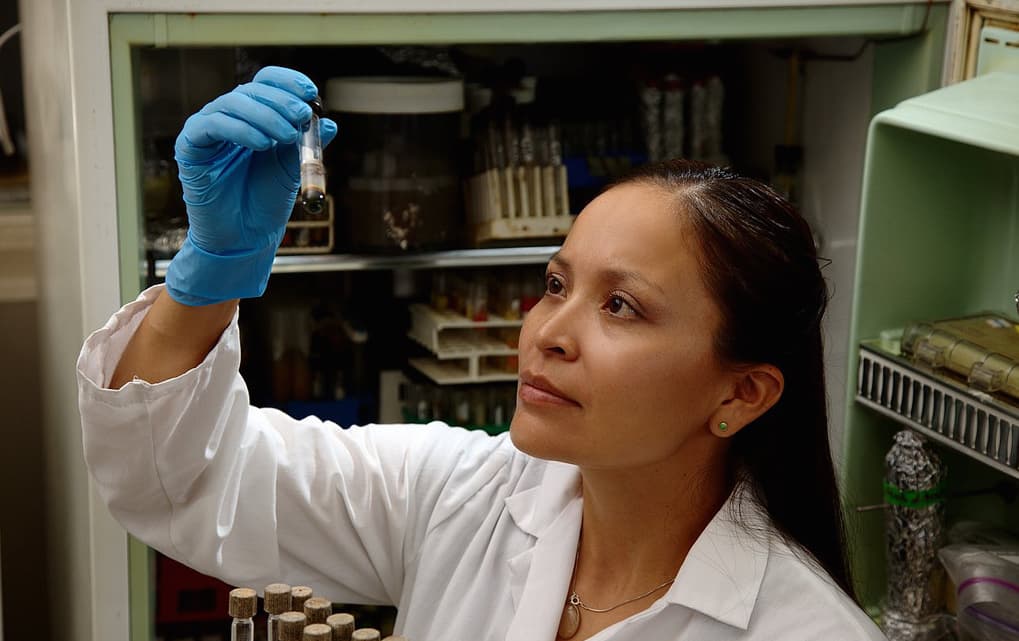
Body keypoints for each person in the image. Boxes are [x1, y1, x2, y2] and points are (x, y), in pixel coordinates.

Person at [78, 66, 884, 641]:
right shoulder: (460, 495)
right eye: (554, 282)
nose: (546, 331)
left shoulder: (801, 626)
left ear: (741, 393)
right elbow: (185, 477)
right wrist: (206, 279)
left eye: (619, 305)